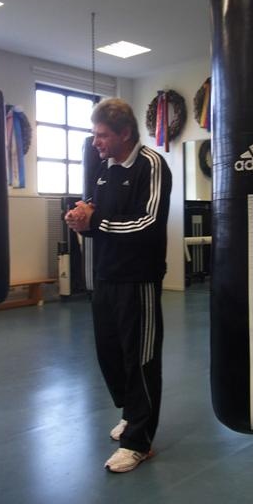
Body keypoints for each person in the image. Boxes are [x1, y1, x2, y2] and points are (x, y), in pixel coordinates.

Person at [65, 98, 172, 473]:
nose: (95, 142)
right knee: (110, 355)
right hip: (106, 277)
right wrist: (80, 214)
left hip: (138, 279)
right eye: (94, 135)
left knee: (141, 360)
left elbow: (149, 223)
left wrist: (95, 222)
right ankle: (131, 414)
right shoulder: (104, 167)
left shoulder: (151, 165)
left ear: (125, 133)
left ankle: (139, 442)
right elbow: (95, 207)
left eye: (102, 135)